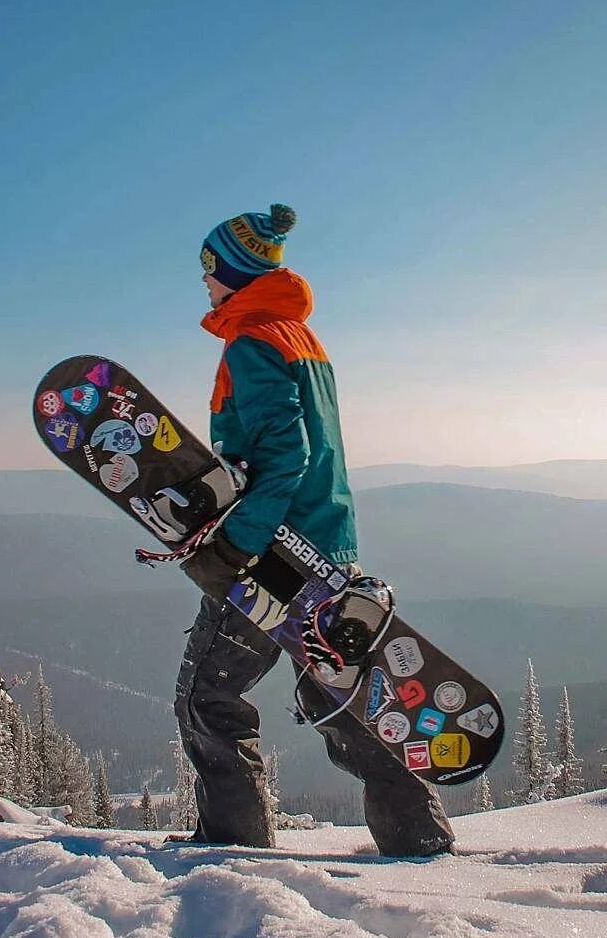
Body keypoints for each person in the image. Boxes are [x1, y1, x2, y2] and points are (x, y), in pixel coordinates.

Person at [175, 204, 454, 856]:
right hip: (329, 545)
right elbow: (308, 453)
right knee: (332, 695)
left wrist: (238, 542)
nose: (205, 283)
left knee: (207, 695)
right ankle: (418, 839)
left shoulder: (251, 341)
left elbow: (284, 455)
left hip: (275, 553)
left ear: (236, 271)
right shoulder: (297, 336)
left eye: (210, 270)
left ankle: (229, 848)